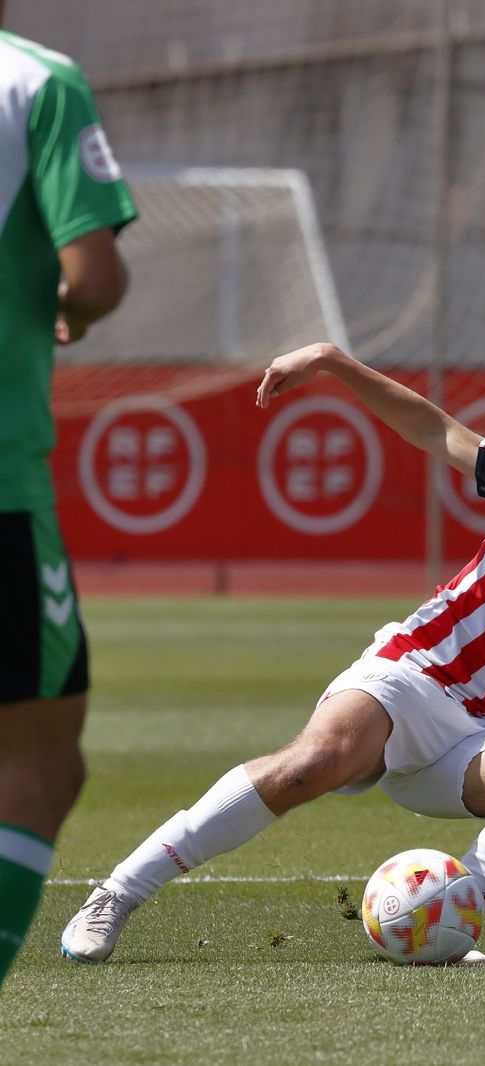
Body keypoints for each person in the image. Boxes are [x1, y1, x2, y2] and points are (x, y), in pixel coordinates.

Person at [61, 341, 485, 964]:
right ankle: (119, 892)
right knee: (311, 764)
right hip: (414, 678)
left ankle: (455, 910)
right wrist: (332, 361)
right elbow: (438, 431)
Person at [0, 17, 136, 989]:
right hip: (0, 482)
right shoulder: (35, 84)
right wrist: (70, 309)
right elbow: (94, 275)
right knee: (41, 761)